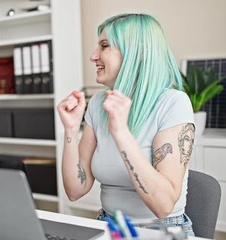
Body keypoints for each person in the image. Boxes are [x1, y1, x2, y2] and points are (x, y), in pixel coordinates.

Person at [57, 14, 195, 236]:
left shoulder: (173, 103)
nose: (93, 56)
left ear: (134, 53)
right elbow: (75, 190)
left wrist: (121, 132)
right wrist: (71, 130)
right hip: (110, 226)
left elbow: (163, 205)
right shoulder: (97, 104)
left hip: (161, 230)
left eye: (104, 46)